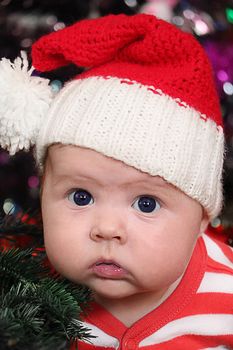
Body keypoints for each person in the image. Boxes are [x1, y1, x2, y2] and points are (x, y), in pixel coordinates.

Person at [0, 13, 233, 349]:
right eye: (81, 196)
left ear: (201, 218)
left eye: (146, 203)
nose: (107, 228)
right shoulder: (26, 286)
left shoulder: (225, 296)